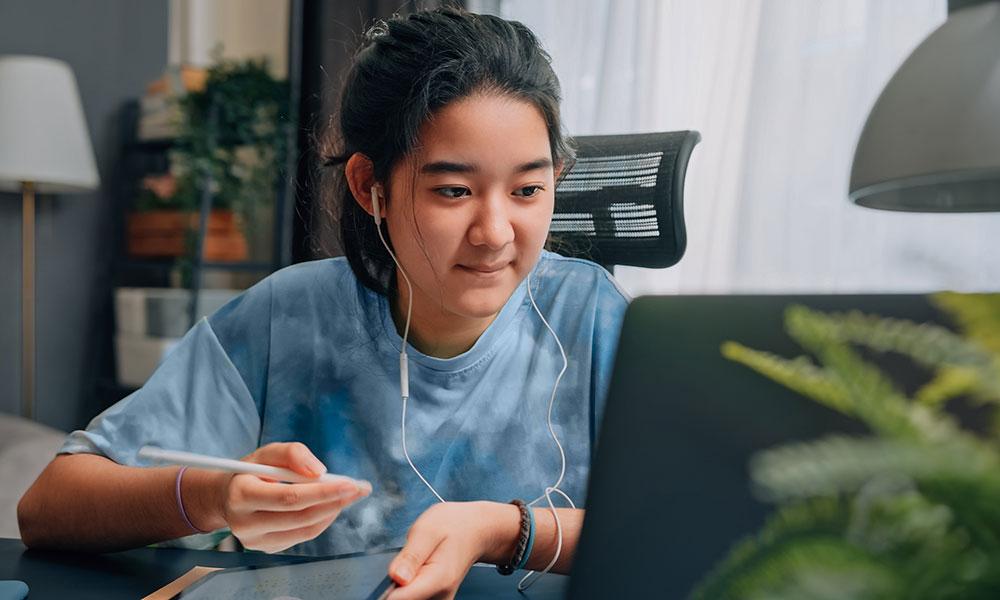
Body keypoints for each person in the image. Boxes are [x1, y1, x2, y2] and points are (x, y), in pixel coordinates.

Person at [18, 8, 628, 599]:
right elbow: (49, 505)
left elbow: (698, 526)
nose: (495, 231)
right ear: (370, 186)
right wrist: (214, 496)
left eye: (528, 189)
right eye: (453, 190)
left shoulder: (594, 317)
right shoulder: (288, 317)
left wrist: (503, 530)